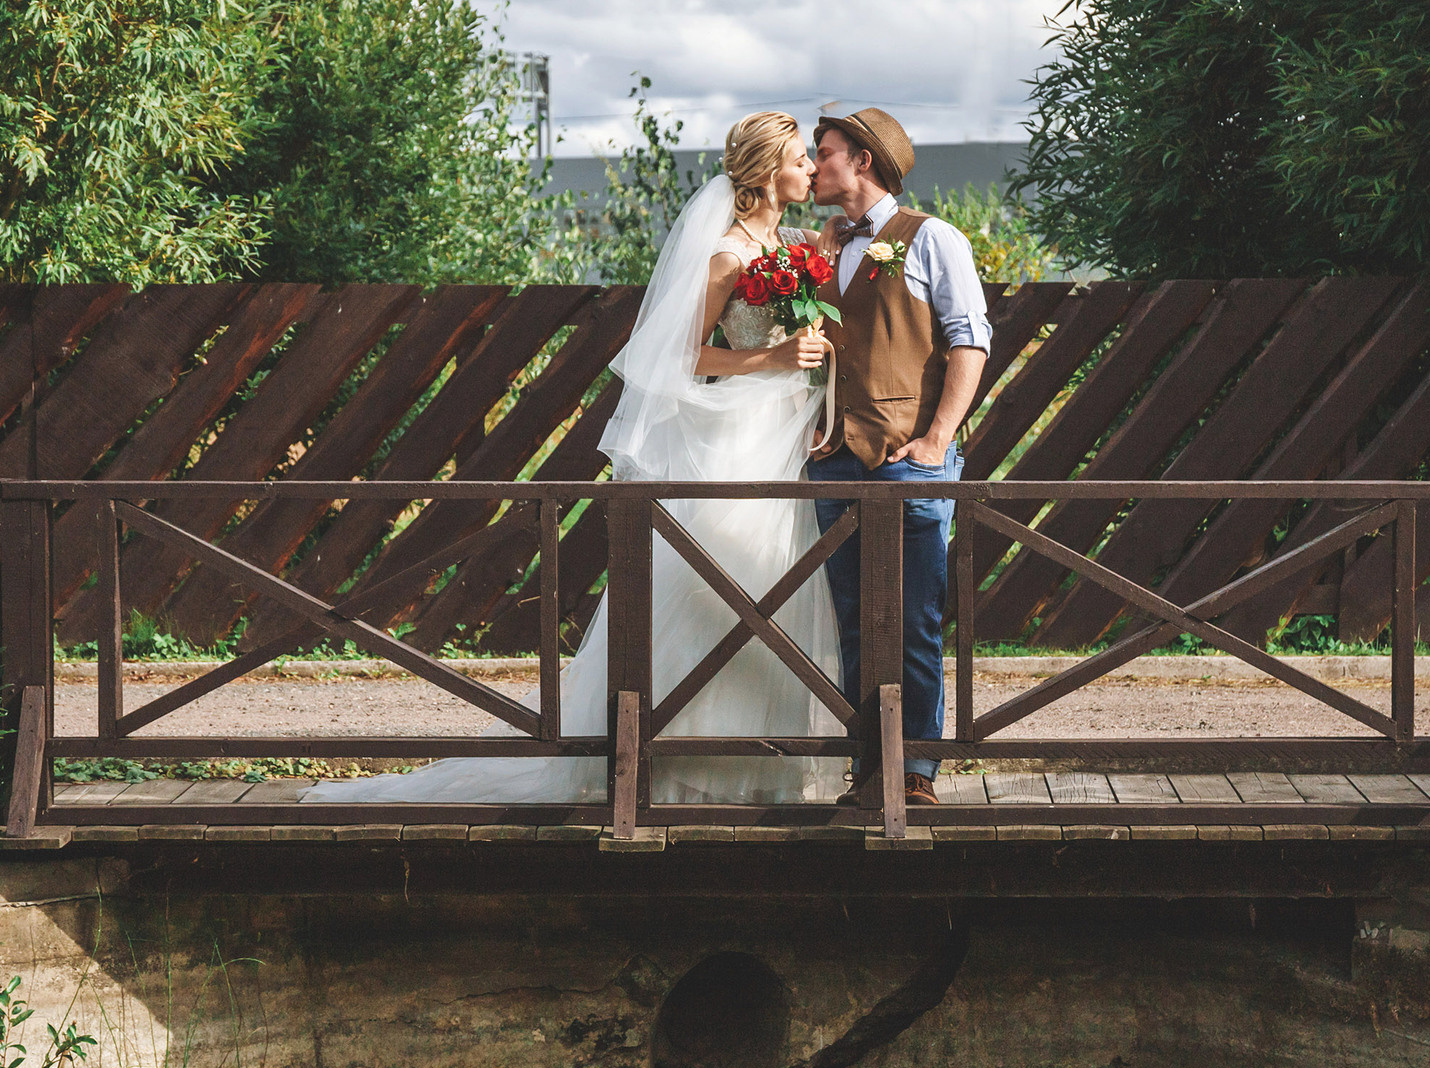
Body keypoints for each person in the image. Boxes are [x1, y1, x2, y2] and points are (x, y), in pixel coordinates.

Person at [302, 112, 841, 807]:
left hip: (782, 434)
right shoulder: (728, 255)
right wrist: (769, 357)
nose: (810, 170)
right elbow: (679, 355)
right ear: (770, 171)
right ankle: (677, 765)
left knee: (773, 586)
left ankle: (755, 769)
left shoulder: (795, 245)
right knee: (709, 587)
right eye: (801, 159)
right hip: (729, 434)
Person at [804, 106, 991, 810]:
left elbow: (969, 341)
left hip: (910, 458)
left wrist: (939, 438)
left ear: (864, 162)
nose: (813, 163)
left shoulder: (934, 238)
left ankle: (915, 771)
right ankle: (867, 767)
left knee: (915, 616)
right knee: (852, 619)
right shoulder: (823, 247)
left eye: (823, 152)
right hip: (834, 459)